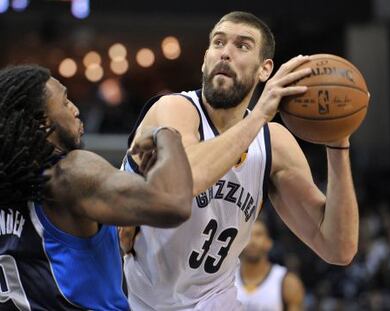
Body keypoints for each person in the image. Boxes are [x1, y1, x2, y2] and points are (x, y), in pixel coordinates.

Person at [121, 11, 359, 310]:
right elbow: (186, 179)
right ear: (205, 58)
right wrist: (260, 114)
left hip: (215, 300)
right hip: (138, 299)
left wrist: (337, 142)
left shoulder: (274, 143)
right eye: (218, 43)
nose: (226, 53)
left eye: (242, 46)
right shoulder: (175, 108)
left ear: (265, 70)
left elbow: (339, 249)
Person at [0, 65, 193, 310]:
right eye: (65, 101)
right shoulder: (69, 173)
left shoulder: (9, 182)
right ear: (43, 122)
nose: (76, 109)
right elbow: (174, 203)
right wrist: (167, 134)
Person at [235, 216, 305, 311]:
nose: (252, 241)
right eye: (247, 235)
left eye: (258, 235)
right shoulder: (226, 279)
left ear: (269, 242)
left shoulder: (287, 282)